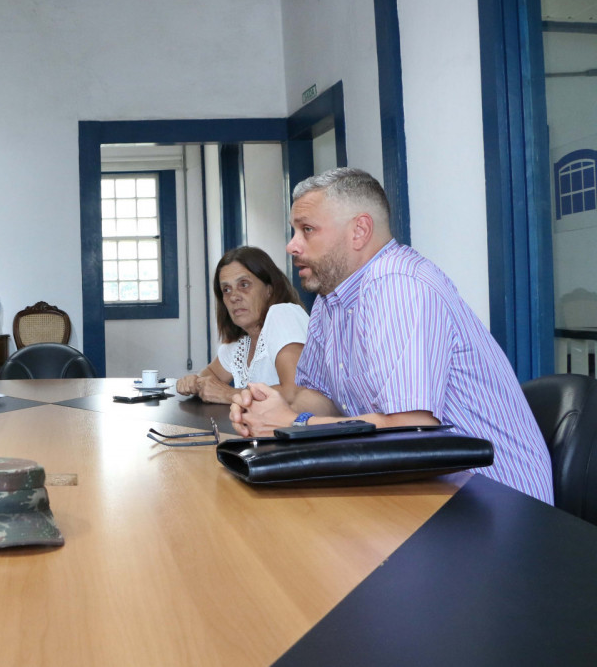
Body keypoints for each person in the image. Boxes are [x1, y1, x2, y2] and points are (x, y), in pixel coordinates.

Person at [230, 168, 554, 503]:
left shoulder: (399, 285)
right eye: (295, 230)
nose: (292, 245)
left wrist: (295, 423)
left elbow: (413, 428)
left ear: (360, 231)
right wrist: (269, 408)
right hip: (427, 488)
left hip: (498, 502)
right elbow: (320, 397)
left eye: (307, 230)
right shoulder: (331, 299)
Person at [176, 247, 308, 404]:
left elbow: (296, 392)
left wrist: (230, 394)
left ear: (269, 289)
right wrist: (193, 383)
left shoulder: (283, 314)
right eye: (226, 289)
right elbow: (210, 375)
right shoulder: (239, 344)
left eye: (244, 285)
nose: (234, 297)